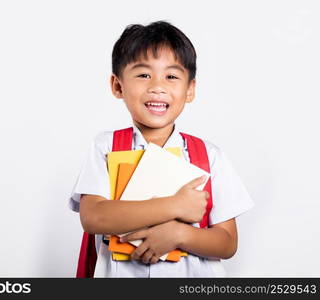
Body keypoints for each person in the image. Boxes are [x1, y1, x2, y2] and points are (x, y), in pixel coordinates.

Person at [68, 20, 254, 277]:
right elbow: (94, 218)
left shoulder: (209, 156)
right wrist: (175, 206)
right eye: (144, 74)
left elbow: (227, 243)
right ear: (118, 86)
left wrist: (180, 234)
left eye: (171, 76)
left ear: (190, 90)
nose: (157, 86)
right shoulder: (105, 147)